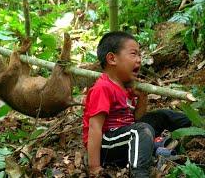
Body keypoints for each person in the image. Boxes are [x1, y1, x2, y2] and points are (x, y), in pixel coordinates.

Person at [82, 31, 191, 177]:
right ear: (112, 58)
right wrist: (94, 167)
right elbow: (95, 128)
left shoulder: (126, 88)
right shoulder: (102, 87)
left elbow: (136, 120)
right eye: (133, 54)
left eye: (140, 55)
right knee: (141, 130)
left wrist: (142, 98)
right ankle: (139, 173)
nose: (139, 59)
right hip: (106, 145)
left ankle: (195, 130)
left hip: (128, 137)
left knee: (162, 115)